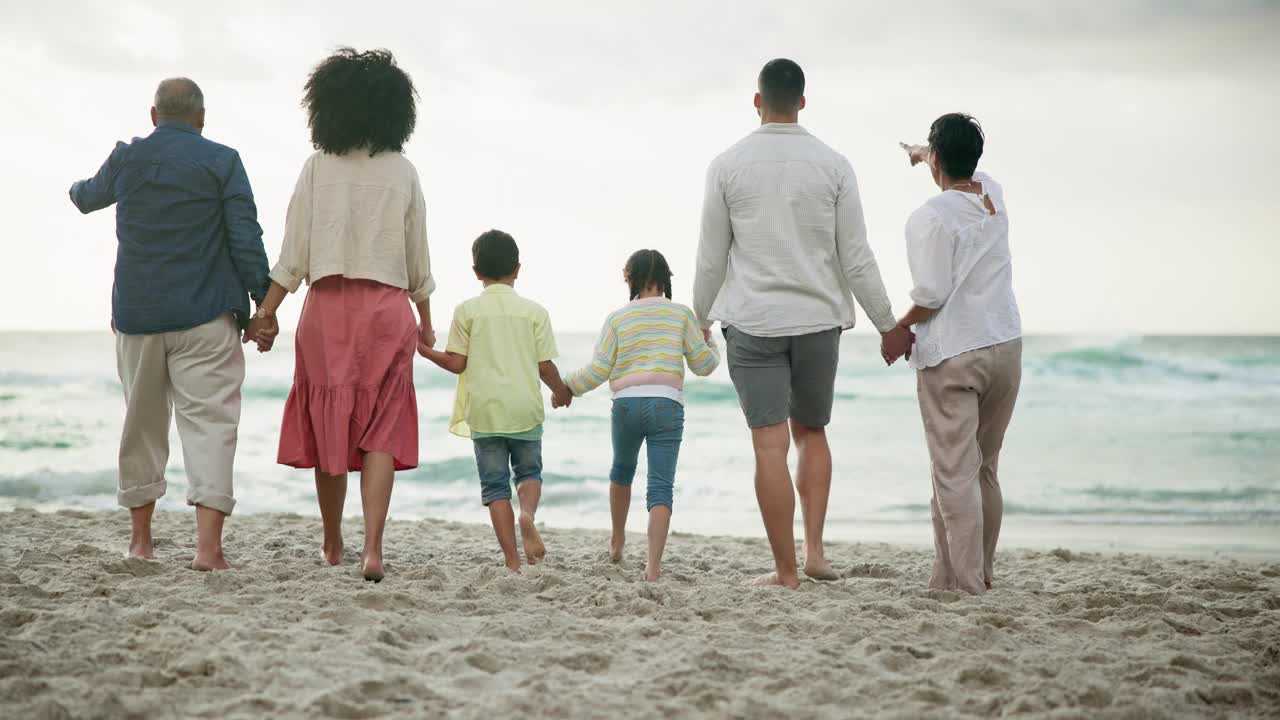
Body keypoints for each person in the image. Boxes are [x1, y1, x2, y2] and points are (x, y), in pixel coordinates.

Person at [693, 58, 912, 589]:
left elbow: (710, 259)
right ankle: (814, 552)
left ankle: (786, 572)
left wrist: (697, 318)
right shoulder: (834, 165)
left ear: (757, 100)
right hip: (817, 321)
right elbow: (856, 255)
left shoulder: (727, 165)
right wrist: (888, 323)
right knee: (811, 433)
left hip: (752, 322)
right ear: (803, 102)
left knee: (768, 444)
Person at [68, 78, 272, 570]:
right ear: (202, 119)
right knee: (211, 427)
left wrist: (77, 185)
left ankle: (140, 542)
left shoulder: (128, 157)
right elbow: (245, 238)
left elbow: (86, 197)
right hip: (206, 316)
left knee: (142, 425)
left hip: (138, 317)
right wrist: (264, 307)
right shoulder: (222, 160)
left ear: (154, 114)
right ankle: (209, 550)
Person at [253, 48, 435, 582]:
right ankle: (372, 548)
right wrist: (425, 318)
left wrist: (266, 312)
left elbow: (294, 253)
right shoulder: (403, 172)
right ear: (395, 110)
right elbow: (417, 255)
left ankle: (332, 541)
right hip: (386, 309)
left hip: (327, 310)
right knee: (383, 427)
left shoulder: (317, 168)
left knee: (330, 421)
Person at [892, 113, 1023, 594]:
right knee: (984, 468)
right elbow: (954, 166)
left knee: (953, 475)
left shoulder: (929, 217)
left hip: (955, 354)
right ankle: (972, 574)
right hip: (1005, 346)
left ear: (939, 158)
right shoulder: (993, 194)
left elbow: (929, 294)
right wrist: (922, 152)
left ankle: (965, 584)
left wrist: (898, 329)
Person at [562, 249, 720, 581]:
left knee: (621, 471)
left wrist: (567, 388)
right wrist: (713, 344)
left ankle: (617, 541)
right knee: (660, 486)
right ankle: (653, 567)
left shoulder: (617, 318)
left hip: (626, 405)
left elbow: (598, 370)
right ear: (665, 280)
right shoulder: (681, 315)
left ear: (629, 279)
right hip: (666, 405)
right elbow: (703, 365)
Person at [420, 230, 572, 575]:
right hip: (524, 409)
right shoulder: (535, 313)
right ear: (517, 269)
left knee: (495, 486)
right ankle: (527, 516)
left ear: (476, 272)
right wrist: (560, 391)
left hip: (486, 413)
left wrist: (426, 351)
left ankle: (512, 561)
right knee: (529, 472)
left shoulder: (467, 311)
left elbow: (457, 363)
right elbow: (544, 366)